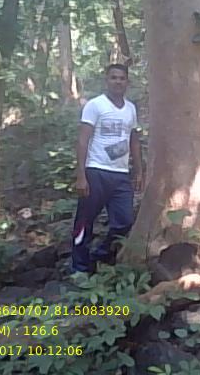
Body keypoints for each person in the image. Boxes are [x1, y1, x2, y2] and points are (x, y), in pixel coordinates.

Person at [71, 63, 143, 273]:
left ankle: (100, 254)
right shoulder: (95, 105)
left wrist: (139, 170)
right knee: (84, 222)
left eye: (122, 78)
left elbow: (134, 141)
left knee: (124, 221)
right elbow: (83, 140)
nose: (118, 81)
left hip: (120, 175)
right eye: (113, 77)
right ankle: (79, 268)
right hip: (96, 171)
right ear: (107, 81)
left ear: (127, 82)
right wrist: (81, 175)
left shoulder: (130, 109)